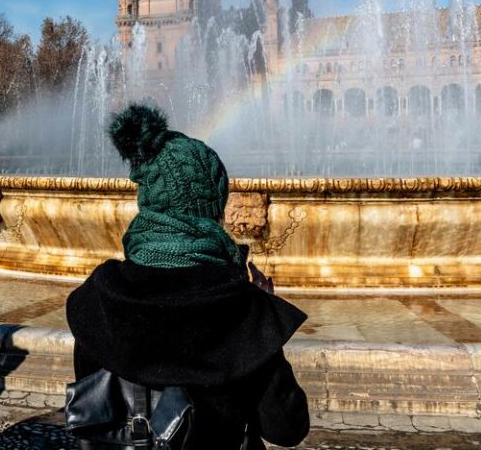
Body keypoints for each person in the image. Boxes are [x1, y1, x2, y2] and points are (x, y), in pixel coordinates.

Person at [66, 104, 310, 449]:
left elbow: (95, 401)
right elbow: (286, 428)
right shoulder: (242, 308)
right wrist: (265, 323)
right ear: (211, 204)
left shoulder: (101, 296)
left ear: (148, 200)